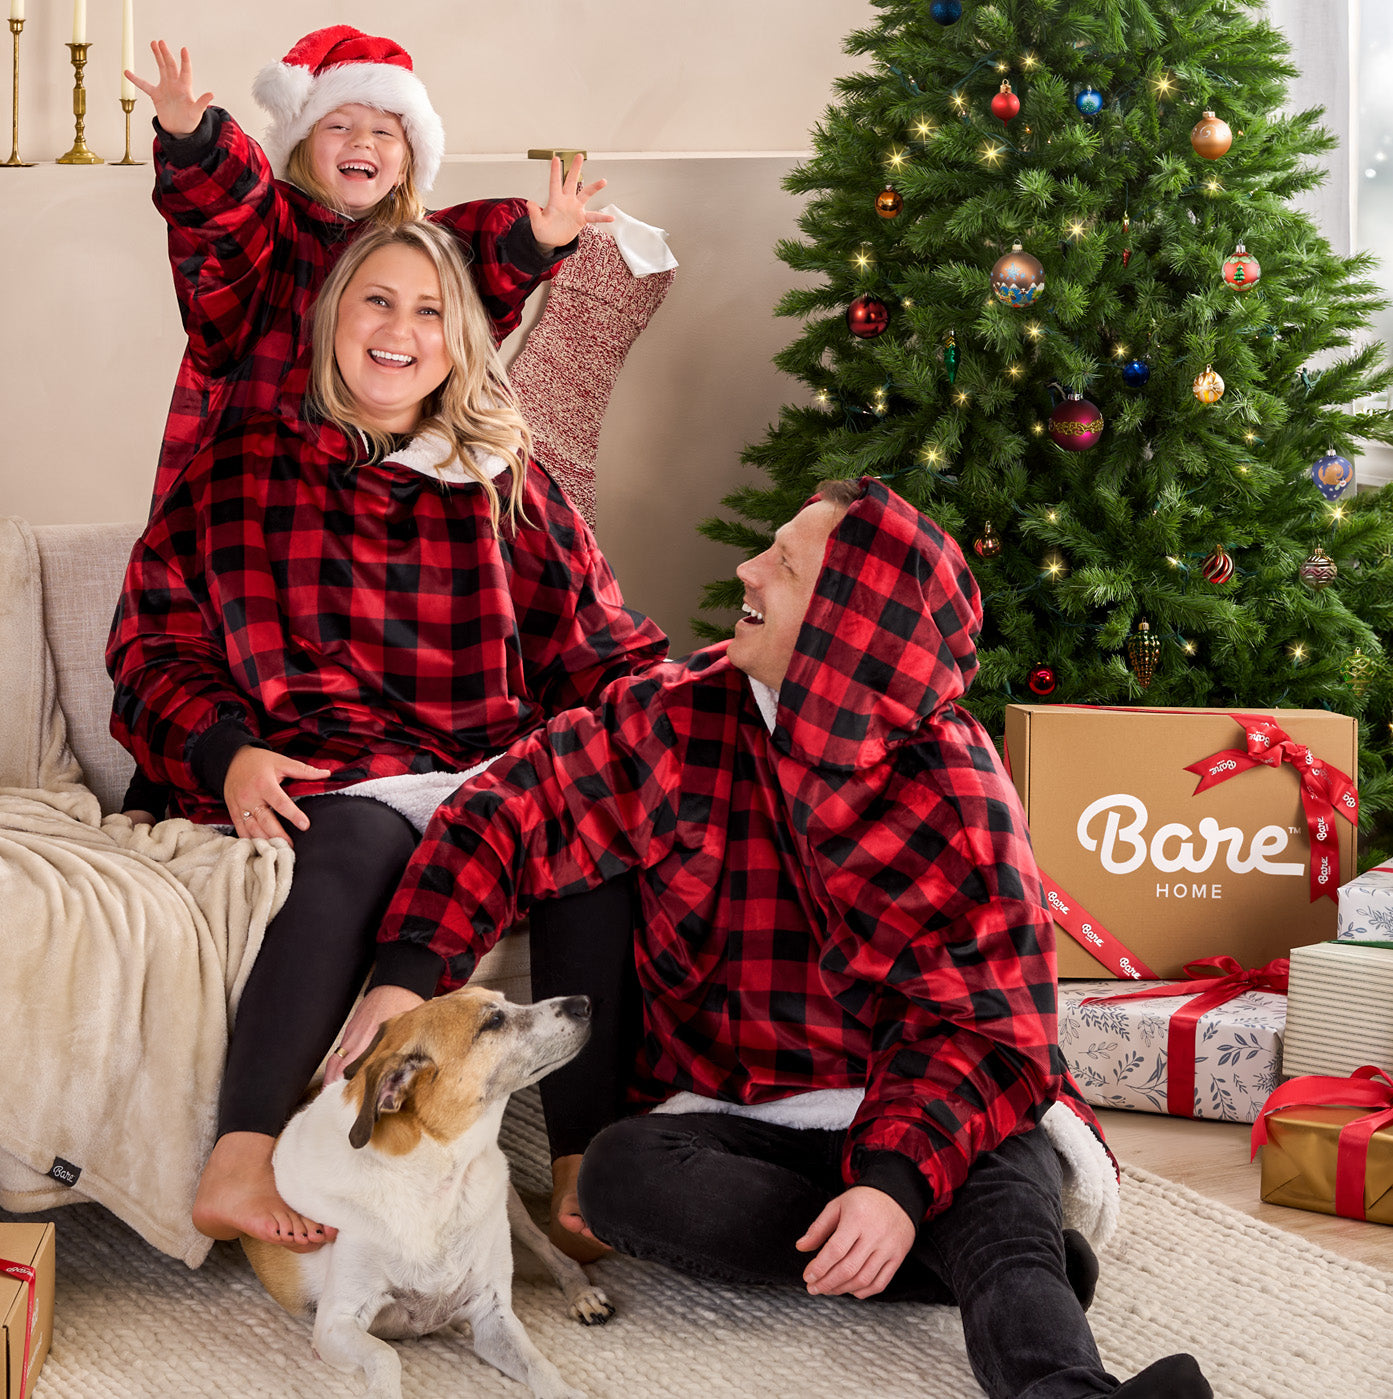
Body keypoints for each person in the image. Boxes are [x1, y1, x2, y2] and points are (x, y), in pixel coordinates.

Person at [341, 478, 1213, 1398]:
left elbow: (987, 1032)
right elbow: (512, 803)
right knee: (620, 1176)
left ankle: (1058, 1369)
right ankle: (956, 1263)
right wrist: (406, 976)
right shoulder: (680, 713)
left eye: (784, 564)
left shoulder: (957, 788)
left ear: (844, 623)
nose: (746, 569)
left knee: (995, 1198)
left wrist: (895, 1183)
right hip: (743, 1119)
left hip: (927, 1110)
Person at [106, 220, 668, 1252]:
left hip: (484, 769)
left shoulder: (505, 480)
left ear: (459, 339)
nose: (398, 328)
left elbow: (600, 649)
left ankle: (588, 1163)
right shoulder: (242, 464)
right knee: (358, 842)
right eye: (376, 300)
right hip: (329, 771)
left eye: (426, 309)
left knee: (590, 843)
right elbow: (149, 643)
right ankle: (241, 1153)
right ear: (331, 322)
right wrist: (224, 750)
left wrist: (670, 710)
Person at [119, 25, 605, 821]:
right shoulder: (270, 238)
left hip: (369, 520)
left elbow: (476, 258)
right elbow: (224, 213)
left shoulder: (419, 252)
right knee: (237, 646)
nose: (363, 141)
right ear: (302, 141)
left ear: (411, 158)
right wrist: (195, 140)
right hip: (258, 507)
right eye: (339, 123)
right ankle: (197, 767)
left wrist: (534, 239)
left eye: (386, 130)